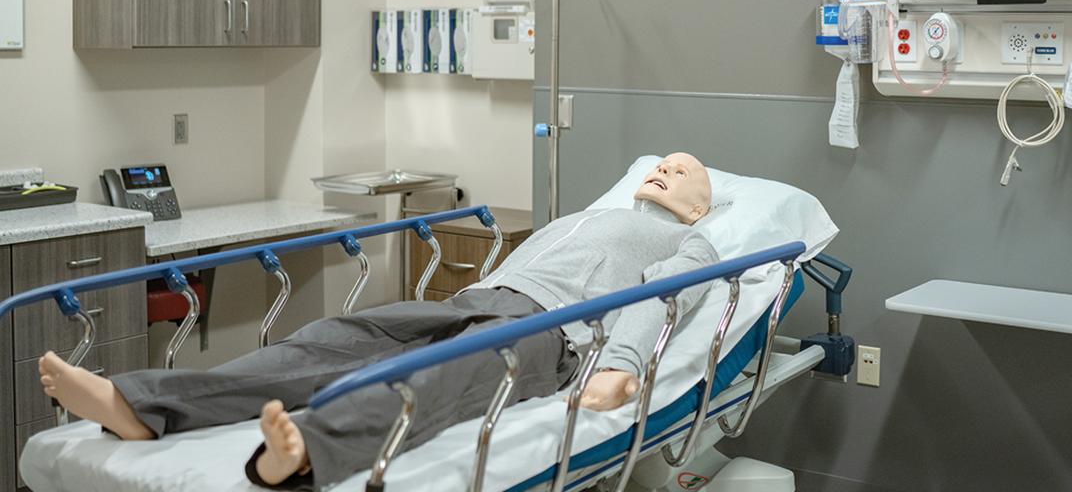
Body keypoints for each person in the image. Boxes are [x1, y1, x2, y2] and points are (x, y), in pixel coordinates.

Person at [38, 153, 717, 490]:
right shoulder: (587, 215)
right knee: (329, 339)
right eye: (661, 163)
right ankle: (139, 404)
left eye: (682, 172)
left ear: (698, 208)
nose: (664, 168)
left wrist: (624, 366)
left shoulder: (692, 243)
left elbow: (663, 296)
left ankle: (306, 454)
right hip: (476, 297)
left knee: (436, 378)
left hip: (551, 331)